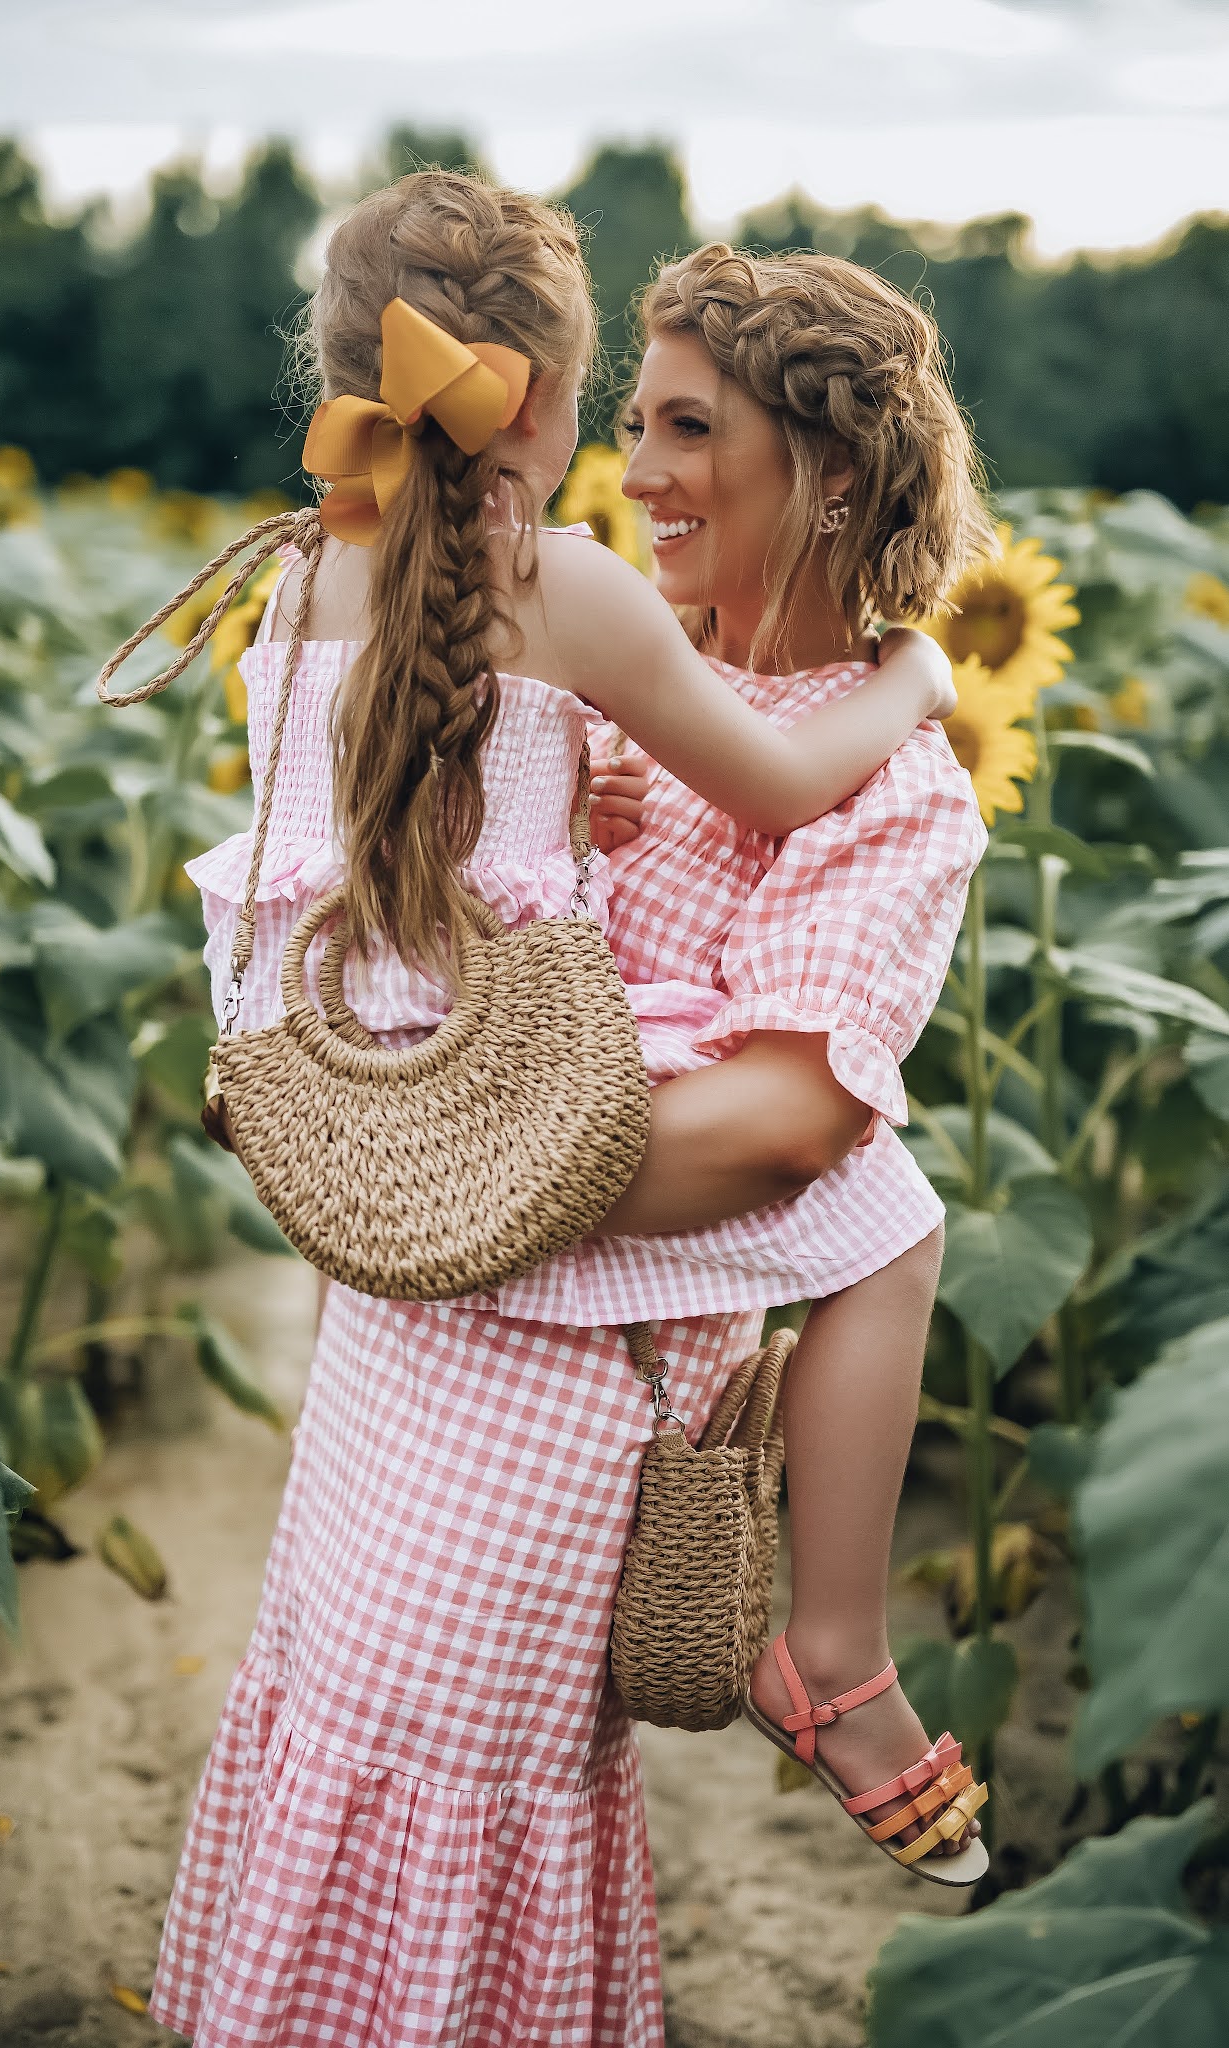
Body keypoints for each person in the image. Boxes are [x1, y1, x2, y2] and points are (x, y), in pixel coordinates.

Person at [143, 180, 980, 2048]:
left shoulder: (312, 562)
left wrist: (338, 1142)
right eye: (628, 413)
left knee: (405, 1749)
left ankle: (822, 1657)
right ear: (537, 398)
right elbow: (759, 779)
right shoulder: (576, 615)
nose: (642, 465)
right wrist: (924, 668)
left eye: (695, 429)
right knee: (895, 1222)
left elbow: (769, 1112)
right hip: (461, 1221)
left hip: (361, 1099)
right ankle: (831, 1652)